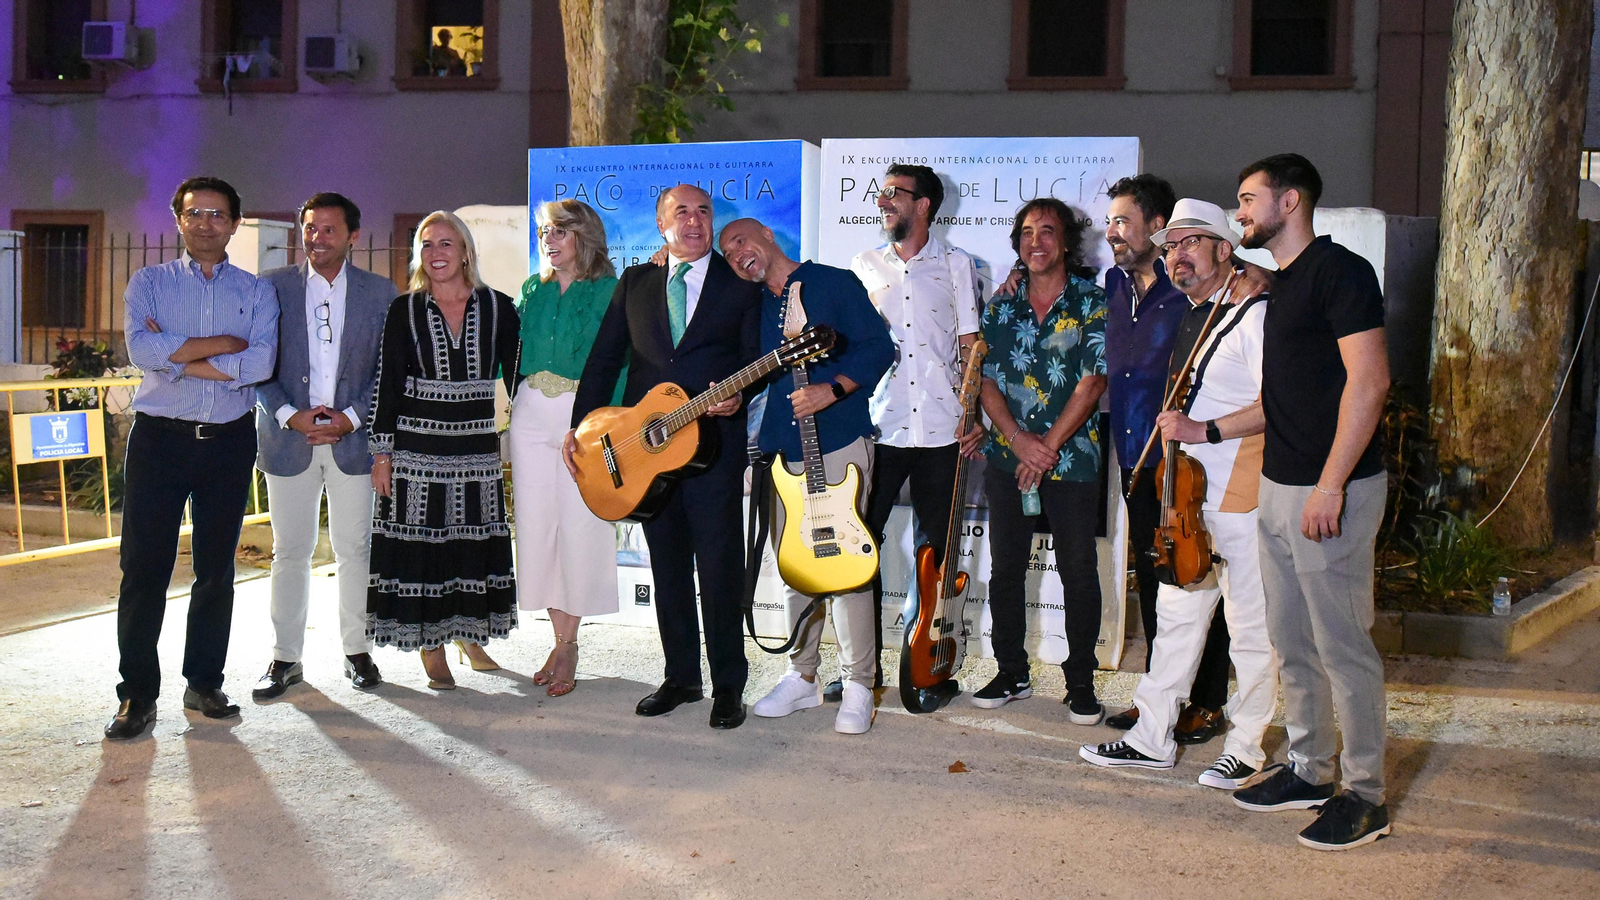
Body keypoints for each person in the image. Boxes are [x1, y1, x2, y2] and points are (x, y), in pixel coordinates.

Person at [1079, 198, 1280, 791]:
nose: (1176, 255)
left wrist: (1203, 429)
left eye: (1191, 242)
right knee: (1175, 614)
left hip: (1241, 495)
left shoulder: (1256, 315)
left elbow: (1279, 407)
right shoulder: (1197, 315)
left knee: (1249, 626)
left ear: (1225, 249)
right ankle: (1150, 738)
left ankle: (1246, 747)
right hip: (1188, 498)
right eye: (1169, 246)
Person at [1228, 154, 1392, 851]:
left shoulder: (1342, 272)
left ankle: (1365, 795)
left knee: (1342, 646)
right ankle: (1309, 768)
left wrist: (1330, 485)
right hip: (1279, 486)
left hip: (1333, 489)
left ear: (1289, 201)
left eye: (1247, 200)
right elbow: (1285, 396)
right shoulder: (1285, 284)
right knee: (1290, 640)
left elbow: (1371, 383)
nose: (1240, 214)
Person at [565, 184, 761, 730]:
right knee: (668, 566)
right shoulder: (637, 281)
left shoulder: (740, 288)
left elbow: (755, 361)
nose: (694, 221)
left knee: (719, 570)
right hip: (642, 453)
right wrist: (579, 429)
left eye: (704, 212)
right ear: (661, 225)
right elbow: (605, 359)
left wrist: (739, 396)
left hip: (712, 454)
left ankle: (728, 687)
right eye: (682, 212)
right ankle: (681, 678)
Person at [105, 176, 279, 740]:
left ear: (234, 223)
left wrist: (177, 354)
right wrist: (224, 345)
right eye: (194, 213)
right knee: (143, 571)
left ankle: (204, 682)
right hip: (160, 440)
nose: (206, 222)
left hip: (227, 443)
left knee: (215, 571)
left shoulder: (256, 292)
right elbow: (141, 350)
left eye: (218, 214)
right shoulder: (149, 283)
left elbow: (258, 367)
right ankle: (136, 694)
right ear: (178, 220)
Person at [720, 218, 895, 733]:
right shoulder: (754, 305)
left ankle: (860, 683)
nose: (737, 255)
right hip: (780, 448)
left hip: (840, 439)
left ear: (768, 236)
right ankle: (802, 676)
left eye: (742, 242)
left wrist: (833, 388)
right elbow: (756, 370)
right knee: (795, 564)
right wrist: (737, 394)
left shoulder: (833, 282)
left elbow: (878, 348)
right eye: (728, 254)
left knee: (846, 565)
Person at [845, 164, 986, 706]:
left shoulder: (956, 265)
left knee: (937, 556)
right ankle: (862, 671)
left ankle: (926, 667)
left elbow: (970, 346)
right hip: (878, 427)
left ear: (924, 205)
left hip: (942, 430)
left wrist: (971, 415)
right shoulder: (863, 265)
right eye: (879, 194)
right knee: (861, 549)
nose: (883, 203)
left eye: (894, 195)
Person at [1100, 175, 1232, 743]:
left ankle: (1207, 702)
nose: (1112, 233)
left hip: (1185, 462)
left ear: (1158, 228)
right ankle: (1161, 697)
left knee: (1197, 577)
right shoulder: (1112, 283)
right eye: (1109, 222)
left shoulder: (1189, 292)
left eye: (1123, 221)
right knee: (1155, 582)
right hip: (1134, 458)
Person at [252, 193, 398, 700]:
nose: (317, 237)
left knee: (355, 549)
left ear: (353, 237)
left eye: (329, 229)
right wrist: (291, 416)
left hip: (352, 443)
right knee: (289, 552)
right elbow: (256, 365)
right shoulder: (271, 289)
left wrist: (351, 418)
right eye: (310, 228)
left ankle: (357, 651)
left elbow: (388, 370)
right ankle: (284, 658)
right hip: (288, 440)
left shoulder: (381, 294)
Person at [366, 211, 520, 690]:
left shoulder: (499, 308)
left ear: (466, 250)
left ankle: (469, 635)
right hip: (416, 451)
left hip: (476, 448)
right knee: (423, 550)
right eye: (427, 244)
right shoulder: (404, 310)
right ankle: (431, 646)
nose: (436, 253)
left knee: (469, 546)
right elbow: (386, 384)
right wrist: (382, 453)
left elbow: (520, 378)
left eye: (446, 243)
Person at [972, 197, 1108, 724]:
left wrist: (1045, 445)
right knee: (1006, 569)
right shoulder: (1001, 308)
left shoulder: (1092, 302)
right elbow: (985, 381)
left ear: (1067, 243)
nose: (1036, 241)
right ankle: (1012, 672)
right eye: (1027, 232)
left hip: (1072, 461)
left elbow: (1092, 382)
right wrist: (1018, 441)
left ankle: (1080, 682)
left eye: (1047, 231)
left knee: (1078, 571)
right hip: (1009, 461)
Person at [511, 200, 621, 697]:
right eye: (542, 233)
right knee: (537, 529)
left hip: (584, 418)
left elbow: (622, 362)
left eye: (559, 231)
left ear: (584, 235)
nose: (549, 241)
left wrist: (601, 423)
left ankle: (570, 645)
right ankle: (557, 639)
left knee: (579, 527)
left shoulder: (609, 291)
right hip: (529, 415)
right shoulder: (531, 289)